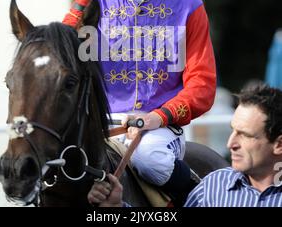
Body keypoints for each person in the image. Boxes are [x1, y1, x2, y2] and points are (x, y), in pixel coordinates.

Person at [63, 0, 216, 202]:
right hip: (100, 124)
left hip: (158, 128)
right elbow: (61, 56)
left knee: (149, 158)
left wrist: (158, 117)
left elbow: (203, 86)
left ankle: (206, 199)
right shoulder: (95, 2)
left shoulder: (188, 6)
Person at [88, 84, 282, 207]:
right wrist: (115, 208)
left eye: (245, 135)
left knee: (149, 158)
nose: (231, 143)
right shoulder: (214, 186)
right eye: (233, 131)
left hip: (157, 124)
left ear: (279, 145)